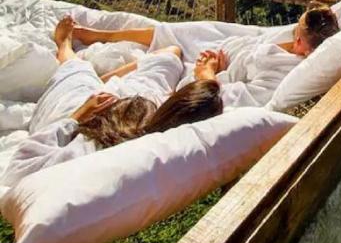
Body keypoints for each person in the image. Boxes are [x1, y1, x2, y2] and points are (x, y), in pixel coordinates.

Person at [1, 18, 223, 189]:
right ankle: (100, 79)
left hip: (81, 112)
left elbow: (19, 168)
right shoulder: (165, 126)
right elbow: (199, 106)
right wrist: (207, 77)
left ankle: (64, 44)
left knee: (77, 69)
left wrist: (77, 115)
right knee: (171, 53)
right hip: (135, 103)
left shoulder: (91, 151)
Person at [68, 5, 341, 109]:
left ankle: (91, 80)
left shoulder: (282, 73)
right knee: (174, 32)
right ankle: (96, 35)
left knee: (171, 50)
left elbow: (231, 97)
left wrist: (210, 70)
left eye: (296, 30)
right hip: (223, 50)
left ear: (301, 41)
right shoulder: (295, 50)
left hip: (208, 70)